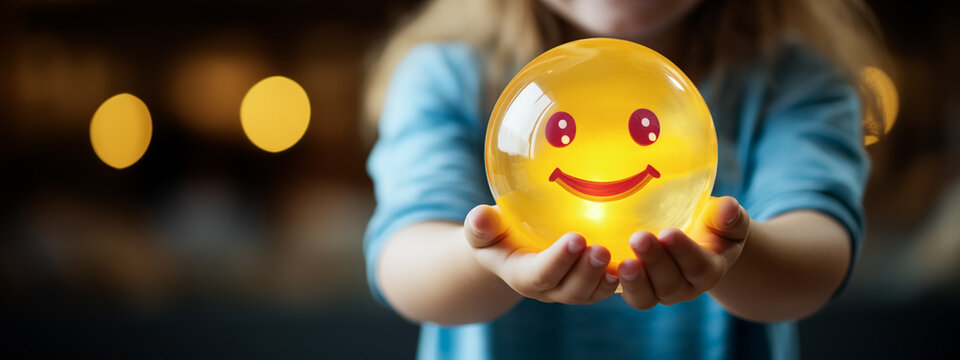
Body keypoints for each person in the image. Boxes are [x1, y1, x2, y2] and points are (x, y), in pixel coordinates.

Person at [363, 0, 887, 358]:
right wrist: (491, 257)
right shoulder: (446, 76)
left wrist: (729, 254)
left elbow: (817, 257)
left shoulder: (794, 80)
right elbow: (406, 259)